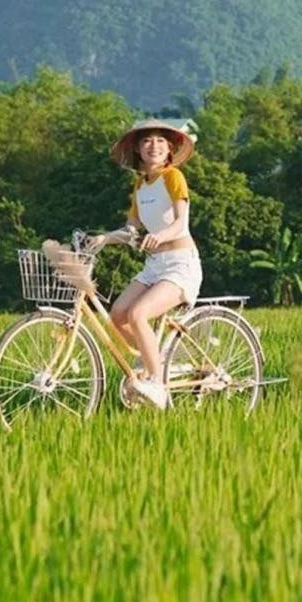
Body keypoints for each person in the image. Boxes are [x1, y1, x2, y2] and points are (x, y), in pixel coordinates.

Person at [87, 119, 202, 409]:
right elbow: (131, 231)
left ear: (169, 150)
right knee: (117, 316)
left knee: (138, 314)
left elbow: (180, 223)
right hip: (154, 266)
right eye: (147, 141)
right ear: (138, 149)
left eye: (160, 142)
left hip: (180, 265)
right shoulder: (140, 185)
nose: (154, 146)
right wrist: (103, 239)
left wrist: (160, 235)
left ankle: (157, 383)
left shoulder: (173, 177)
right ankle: (158, 361)